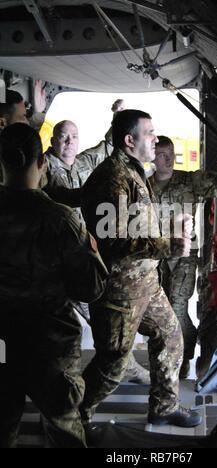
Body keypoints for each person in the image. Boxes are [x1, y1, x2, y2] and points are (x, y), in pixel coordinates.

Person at [80, 109, 202, 439]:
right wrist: (169, 244)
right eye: (149, 133)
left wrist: (171, 228)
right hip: (120, 290)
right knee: (112, 364)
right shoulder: (114, 178)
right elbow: (115, 238)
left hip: (145, 282)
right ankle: (74, 416)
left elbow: (136, 224)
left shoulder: (134, 172)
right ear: (130, 140)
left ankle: (164, 407)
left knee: (170, 335)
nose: (155, 138)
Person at [0, 123, 108, 448]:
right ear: (42, 163)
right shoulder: (61, 220)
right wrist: (92, 247)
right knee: (65, 433)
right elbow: (90, 289)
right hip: (48, 346)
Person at [44, 119, 149, 384]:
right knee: (62, 326)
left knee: (101, 315)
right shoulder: (43, 167)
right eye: (63, 137)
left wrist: (118, 117)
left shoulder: (83, 162)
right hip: (53, 261)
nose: (69, 142)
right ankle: (66, 384)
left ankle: (123, 365)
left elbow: (106, 146)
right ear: (52, 140)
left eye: (74, 137)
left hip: (82, 256)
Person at [149, 136, 217, 378]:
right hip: (156, 258)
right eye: (162, 154)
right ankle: (170, 352)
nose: (168, 159)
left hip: (185, 256)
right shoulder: (144, 186)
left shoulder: (188, 180)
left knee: (176, 307)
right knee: (160, 312)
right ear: (152, 157)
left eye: (171, 153)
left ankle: (184, 356)